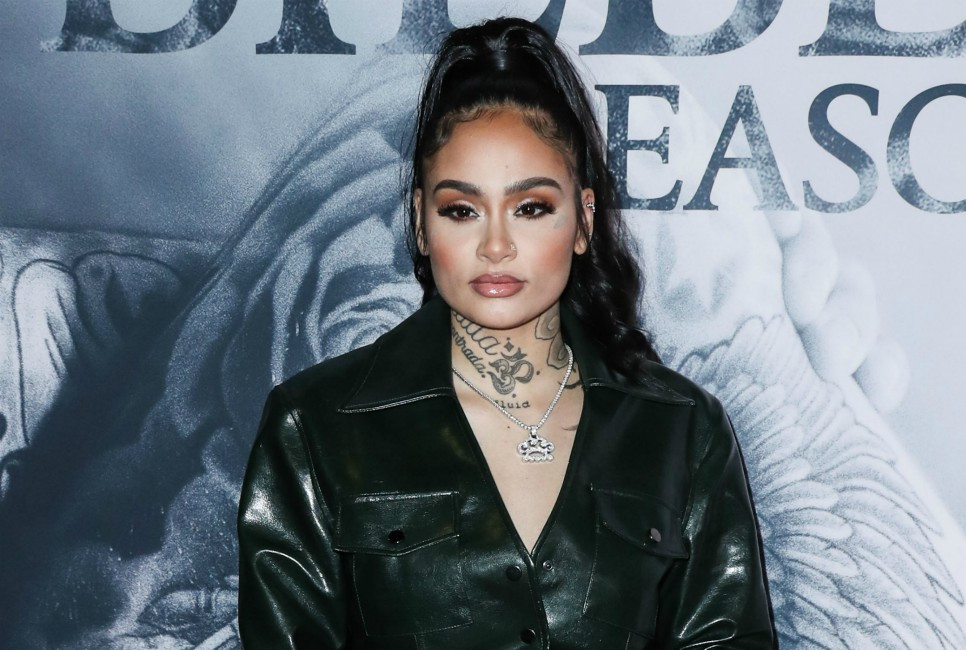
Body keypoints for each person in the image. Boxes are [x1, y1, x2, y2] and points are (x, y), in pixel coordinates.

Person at [237, 16, 775, 649]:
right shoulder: (314, 428)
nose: (496, 245)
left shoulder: (680, 429)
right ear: (421, 223)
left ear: (583, 220)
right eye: (462, 210)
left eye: (531, 207)